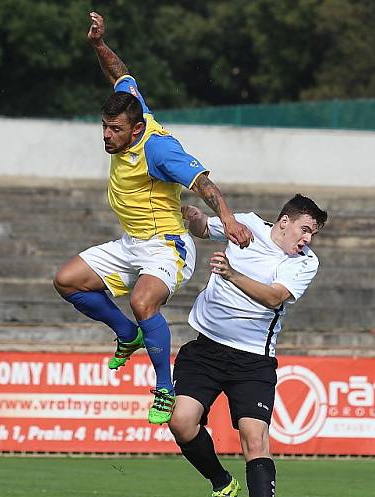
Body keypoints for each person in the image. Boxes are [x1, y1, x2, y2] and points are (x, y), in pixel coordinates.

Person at [52, 12, 252, 425]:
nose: (107, 136)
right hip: (132, 242)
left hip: (167, 247)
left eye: (115, 130)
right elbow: (120, 74)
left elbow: (203, 184)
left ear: (136, 127)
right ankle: (126, 334)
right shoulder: (132, 105)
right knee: (67, 280)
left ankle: (165, 387)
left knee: (143, 301)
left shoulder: (159, 150)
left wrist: (228, 219)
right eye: (104, 127)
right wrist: (98, 45)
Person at [169, 195, 327, 497]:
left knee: (255, 440)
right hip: (206, 349)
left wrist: (231, 273)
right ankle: (221, 483)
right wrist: (191, 215)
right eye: (305, 229)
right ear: (284, 221)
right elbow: (203, 229)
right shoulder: (247, 225)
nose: (307, 239)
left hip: (253, 361)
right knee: (181, 422)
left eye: (312, 233)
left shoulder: (304, 262)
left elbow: (274, 297)